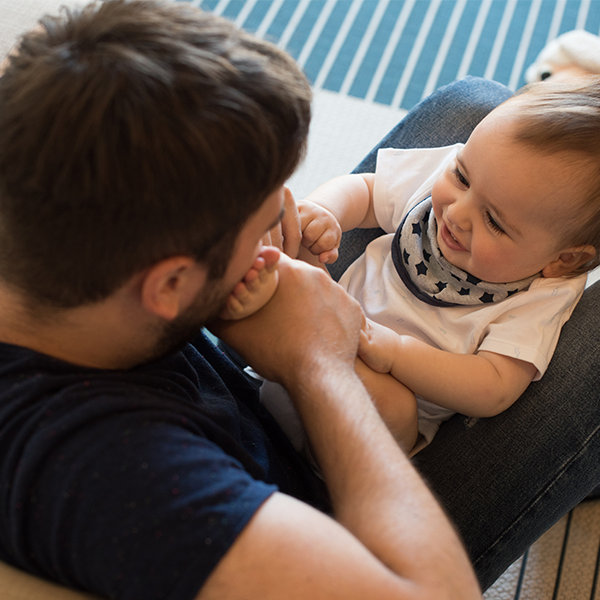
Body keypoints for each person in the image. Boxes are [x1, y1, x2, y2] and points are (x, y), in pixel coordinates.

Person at [0, 2, 598, 599]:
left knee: (473, 106)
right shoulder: (128, 477)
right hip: (352, 509)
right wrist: (319, 362)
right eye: (264, 224)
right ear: (170, 286)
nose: (284, 221)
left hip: (242, 384)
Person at [232, 79, 599, 455]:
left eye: (494, 222)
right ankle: (258, 318)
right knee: (295, 246)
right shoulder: (477, 177)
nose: (455, 213)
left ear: (562, 259)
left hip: (365, 428)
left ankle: (274, 324)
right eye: (461, 177)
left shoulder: (543, 294)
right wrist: (325, 211)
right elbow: (369, 190)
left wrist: (396, 353)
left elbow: (495, 386)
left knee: (392, 404)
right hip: (321, 322)